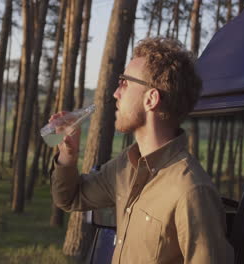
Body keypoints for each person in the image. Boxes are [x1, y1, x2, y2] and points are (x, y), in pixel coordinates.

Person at [50, 37, 234, 264]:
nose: (116, 93)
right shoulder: (126, 166)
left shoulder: (191, 190)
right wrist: (68, 155)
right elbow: (71, 198)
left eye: (125, 83)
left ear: (151, 99)